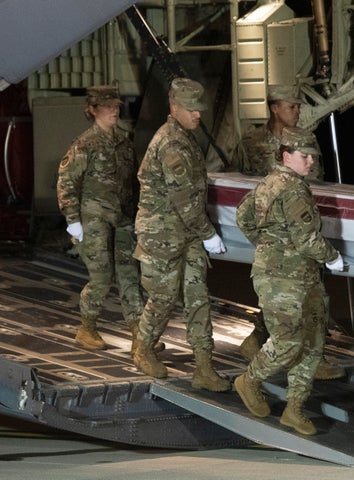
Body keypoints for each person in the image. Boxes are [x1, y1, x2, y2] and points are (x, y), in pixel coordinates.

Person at [234, 126, 345, 435]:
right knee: (290, 341)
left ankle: (294, 410)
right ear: (286, 155)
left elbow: (242, 217)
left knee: (312, 342)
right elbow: (308, 239)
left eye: (313, 156)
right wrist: (332, 257)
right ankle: (250, 380)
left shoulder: (268, 183)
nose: (311, 161)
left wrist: (266, 244)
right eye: (305, 155)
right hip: (284, 280)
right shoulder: (293, 188)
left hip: (299, 275)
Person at [238, 84, 343, 380]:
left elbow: (315, 183)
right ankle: (267, 360)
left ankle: (309, 357)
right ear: (274, 108)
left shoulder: (306, 142)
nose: (297, 111)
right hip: (277, 234)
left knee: (312, 301)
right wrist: (264, 240)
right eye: (291, 106)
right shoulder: (251, 141)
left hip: (298, 232)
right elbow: (244, 183)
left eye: (298, 106)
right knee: (288, 306)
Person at [132, 77, 230, 393]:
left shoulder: (184, 137)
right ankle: (143, 347)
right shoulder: (171, 144)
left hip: (185, 233)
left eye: (199, 108)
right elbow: (184, 199)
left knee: (197, 297)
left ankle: (204, 366)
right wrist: (208, 234)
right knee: (162, 297)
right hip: (162, 234)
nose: (197, 114)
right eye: (190, 109)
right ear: (174, 107)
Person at [57, 85, 165, 354]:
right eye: (107, 107)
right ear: (92, 110)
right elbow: (66, 182)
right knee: (102, 277)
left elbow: (132, 182)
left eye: (116, 106)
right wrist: (73, 220)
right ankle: (87, 327)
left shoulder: (123, 142)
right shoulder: (85, 144)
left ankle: (140, 334)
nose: (113, 111)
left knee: (129, 276)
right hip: (94, 220)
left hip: (123, 219)